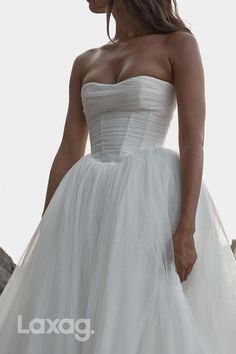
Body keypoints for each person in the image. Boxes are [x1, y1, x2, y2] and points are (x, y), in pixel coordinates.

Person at [0, 0, 236, 353]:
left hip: (148, 196)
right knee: (76, 304)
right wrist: (47, 225)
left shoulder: (178, 44)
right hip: (87, 195)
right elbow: (69, 148)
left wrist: (186, 226)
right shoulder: (85, 60)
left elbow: (192, 139)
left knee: (143, 302)